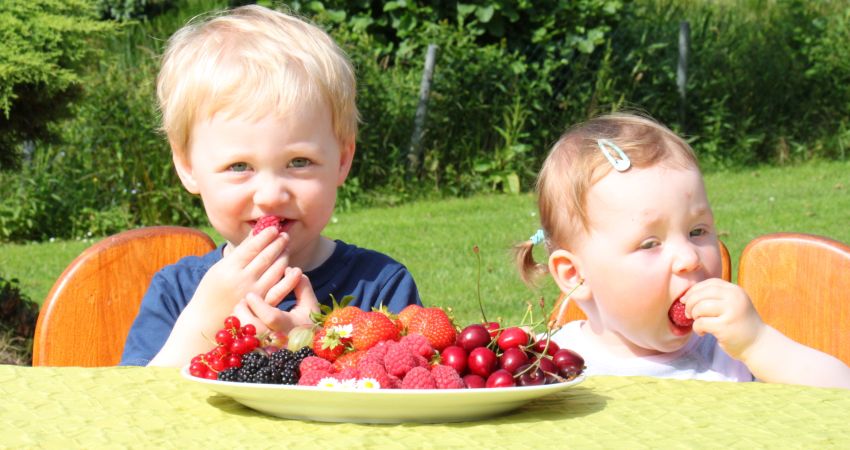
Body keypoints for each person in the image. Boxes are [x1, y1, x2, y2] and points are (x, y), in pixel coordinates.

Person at [120, 5, 421, 367]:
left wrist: (308, 346)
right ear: (188, 167)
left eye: (299, 162)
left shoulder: (380, 287)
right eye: (239, 166)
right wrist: (204, 320)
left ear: (342, 160)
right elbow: (138, 407)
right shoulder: (177, 292)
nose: (271, 195)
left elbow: (406, 396)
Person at [515, 112, 850, 388]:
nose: (689, 258)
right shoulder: (550, 364)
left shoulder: (728, 355)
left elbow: (838, 398)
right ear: (575, 275)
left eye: (697, 231)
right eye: (650, 244)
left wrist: (758, 343)